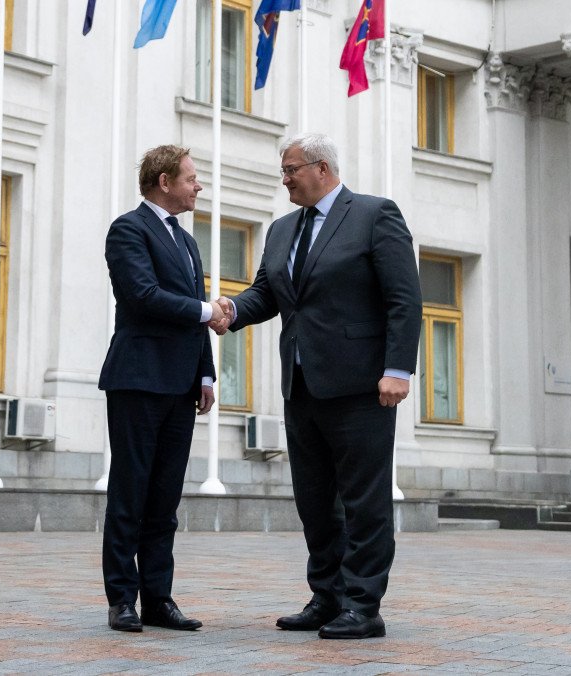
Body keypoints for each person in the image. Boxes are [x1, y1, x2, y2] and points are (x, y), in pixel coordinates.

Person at [216, 133, 422, 639]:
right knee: (314, 500)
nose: (283, 179)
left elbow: (404, 298)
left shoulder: (375, 215)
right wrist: (232, 311)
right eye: (283, 171)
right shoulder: (282, 229)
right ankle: (326, 596)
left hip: (361, 387)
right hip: (302, 384)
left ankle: (363, 605)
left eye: (290, 169)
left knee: (363, 499)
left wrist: (398, 369)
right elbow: (269, 292)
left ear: (322, 169)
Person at [98, 144, 228, 633]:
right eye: (192, 178)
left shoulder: (187, 241)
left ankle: (159, 598)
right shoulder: (128, 229)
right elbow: (143, 295)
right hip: (138, 378)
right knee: (130, 492)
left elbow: (195, 312)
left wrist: (206, 373)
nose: (199, 186)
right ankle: (122, 600)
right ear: (164, 182)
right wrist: (206, 311)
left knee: (165, 499)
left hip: (180, 385)